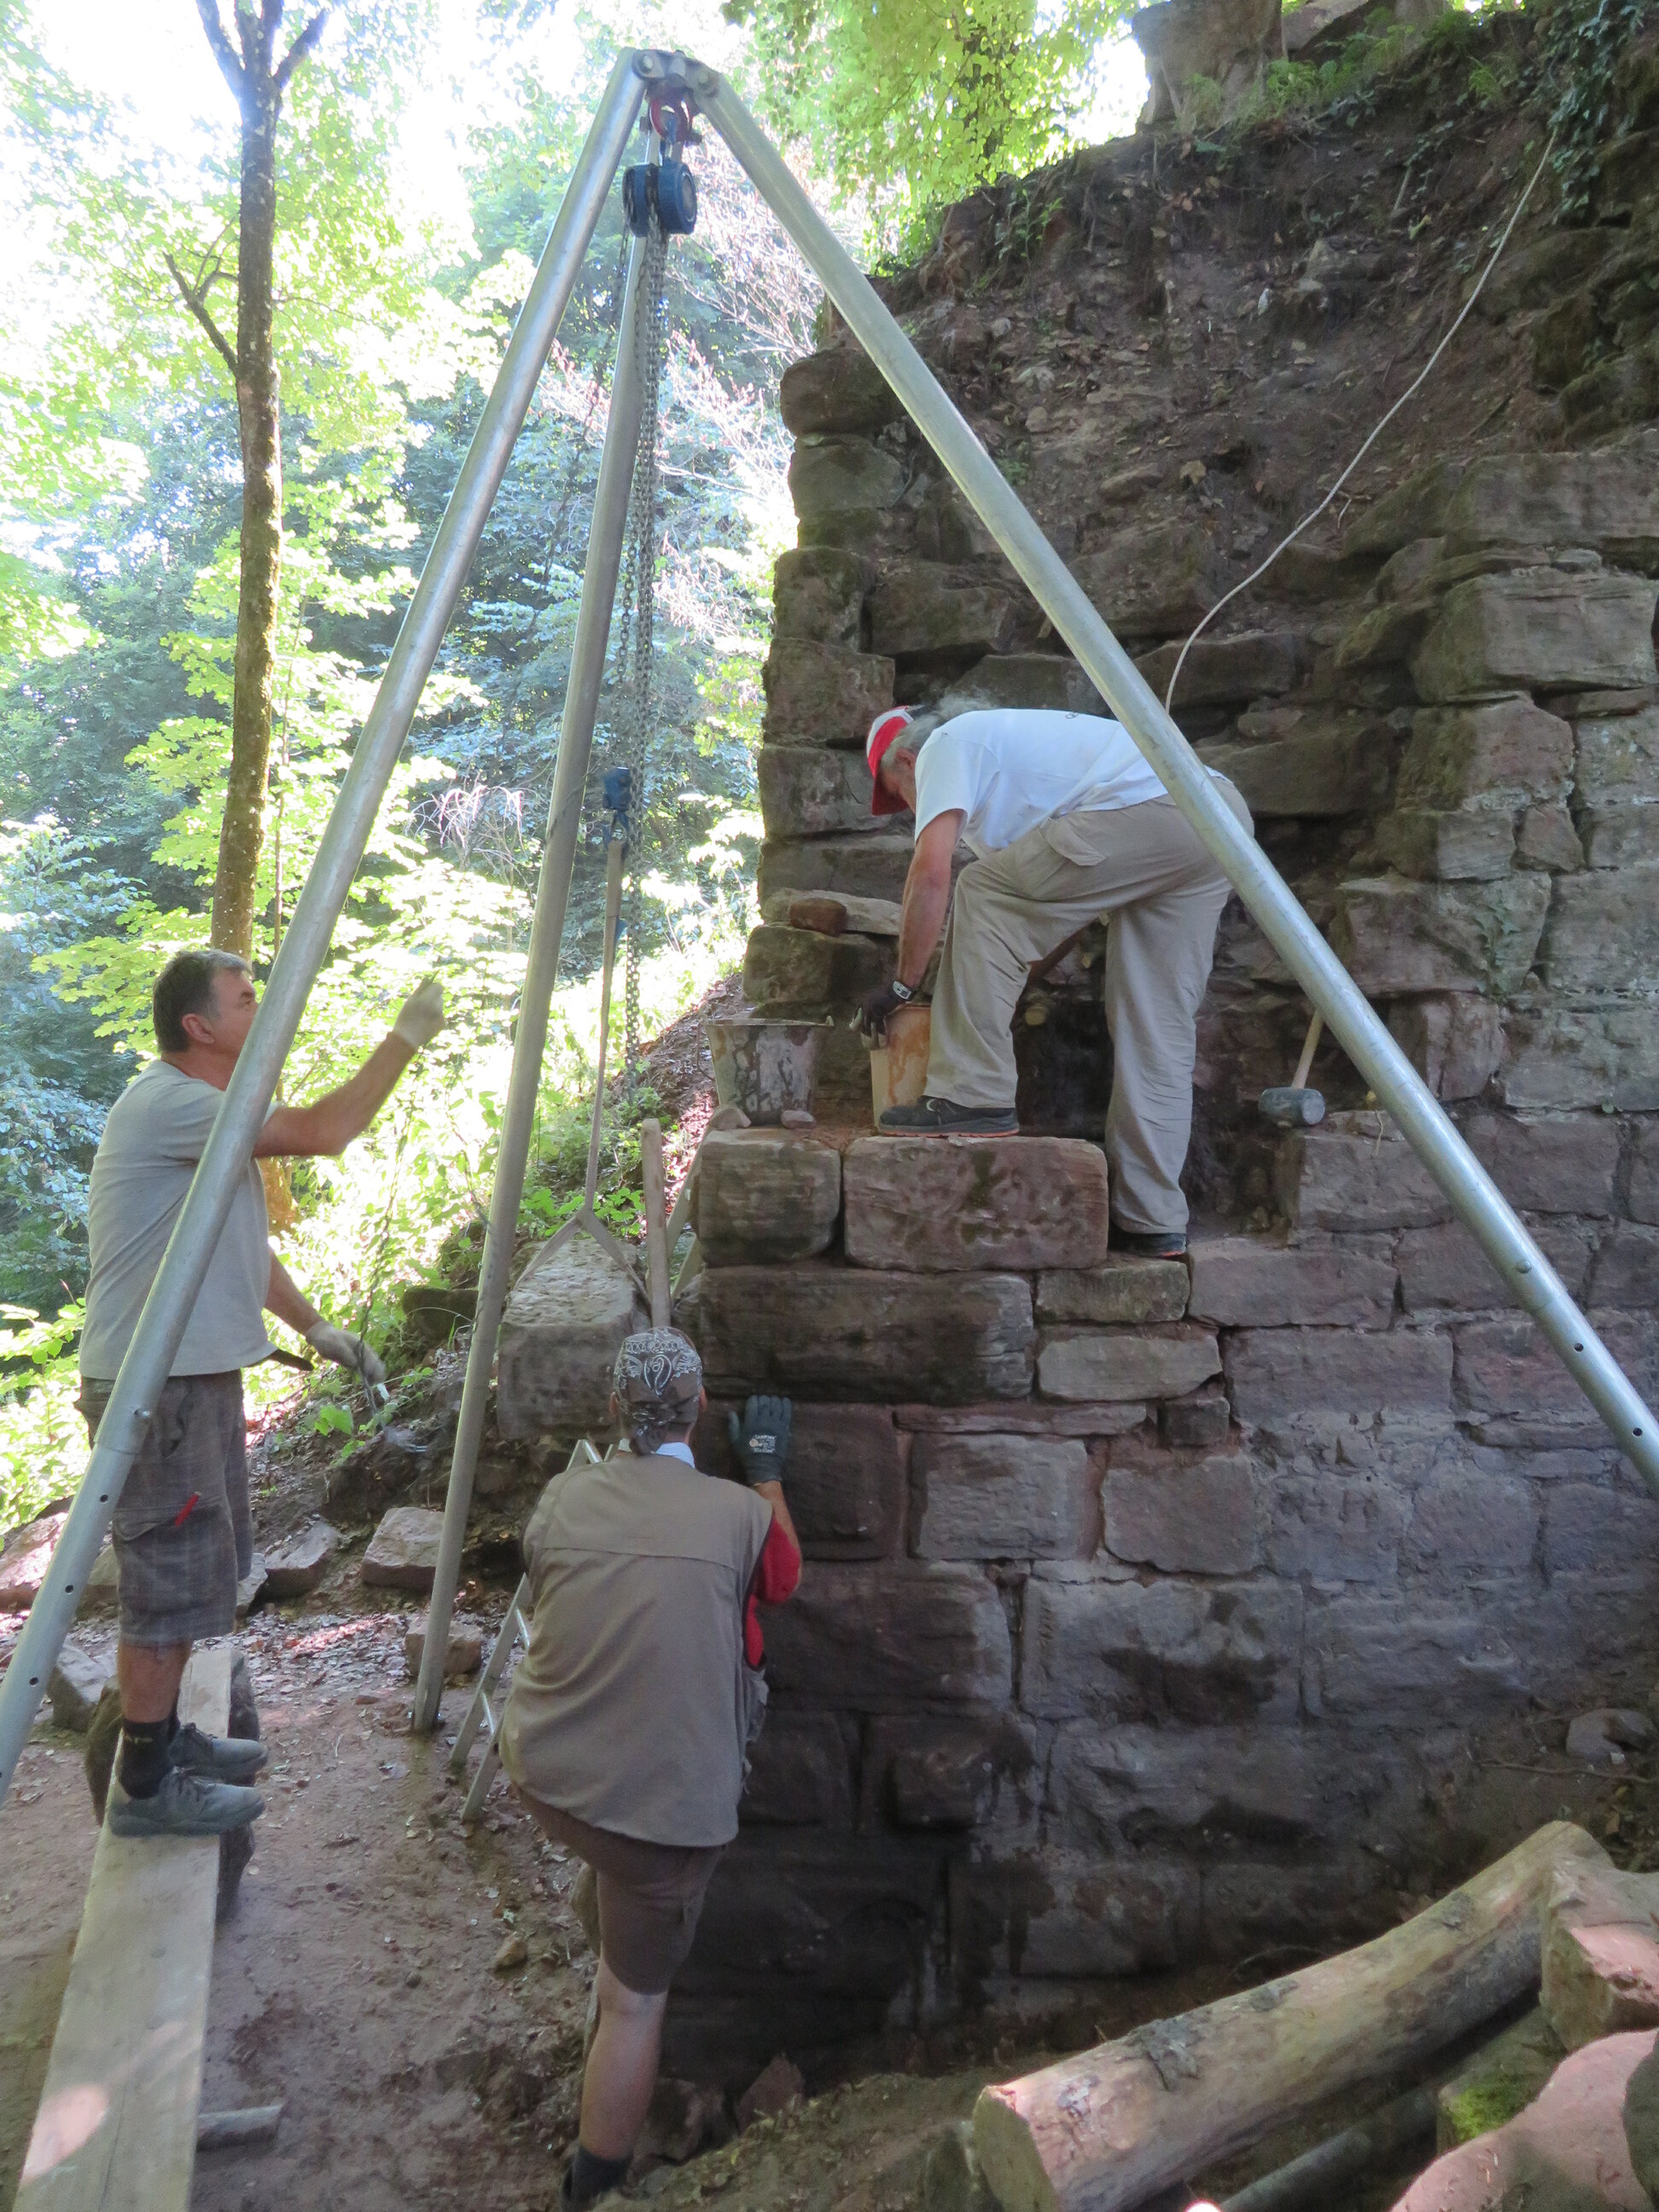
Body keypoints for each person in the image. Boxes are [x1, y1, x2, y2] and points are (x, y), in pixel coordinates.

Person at [78, 946, 446, 1839]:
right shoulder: (176, 1104)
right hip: (156, 1388)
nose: (263, 1009)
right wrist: (405, 1038)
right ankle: (144, 1784)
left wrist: (313, 1326)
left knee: (198, 1571)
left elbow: (237, 1243)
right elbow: (327, 1130)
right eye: (246, 1000)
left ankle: (166, 1740)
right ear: (198, 1027)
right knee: (167, 1580)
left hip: (187, 1382)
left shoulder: (204, 1115)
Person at [498, 1331, 801, 2209]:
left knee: (616, 1873)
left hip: (548, 1769)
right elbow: (784, 1577)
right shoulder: (738, 1516)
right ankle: (592, 2187)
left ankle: (613, 1929)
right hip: (659, 1813)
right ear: (701, 1408)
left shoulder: (564, 1498)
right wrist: (768, 1476)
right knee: (637, 2004)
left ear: (613, 1411)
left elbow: (547, 1576)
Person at [858, 702, 1253, 1259]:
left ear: (905, 759)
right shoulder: (1027, 789)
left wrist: (903, 984)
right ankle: (1152, 1218)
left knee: (980, 891)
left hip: (1158, 808)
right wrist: (996, 988)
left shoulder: (946, 744)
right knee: (1155, 1023)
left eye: (897, 793)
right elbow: (1056, 920)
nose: (907, 808)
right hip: (1217, 816)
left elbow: (931, 874)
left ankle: (972, 1095)